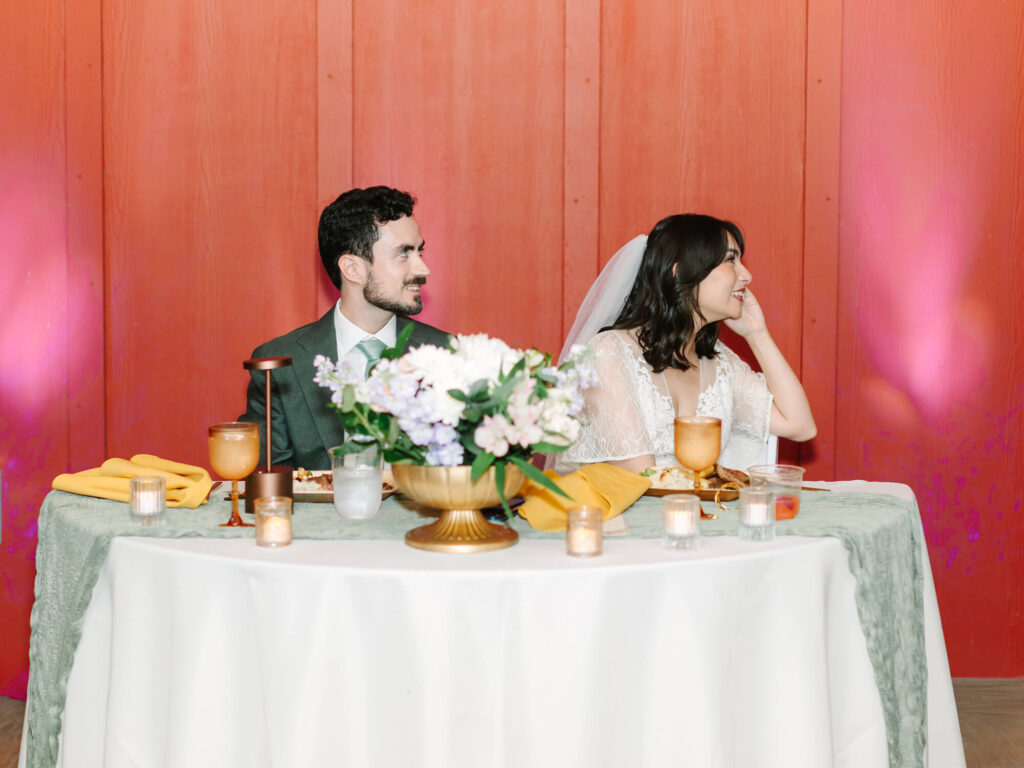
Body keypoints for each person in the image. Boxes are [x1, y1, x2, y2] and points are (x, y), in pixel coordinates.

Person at [555, 213, 816, 473]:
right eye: (730, 261)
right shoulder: (608, 352)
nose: (746, 275)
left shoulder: (719, 363)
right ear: (679, 272)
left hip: (695, 510)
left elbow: (800, 426)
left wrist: (757, 335)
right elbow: (640, 476)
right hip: (630, 512)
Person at [241, 186, 450, 469]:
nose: (422, 269)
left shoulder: (447, 355)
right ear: (353, 269)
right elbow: (270, 483)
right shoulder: (279, 365)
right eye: (404, 254)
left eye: (419, 252)